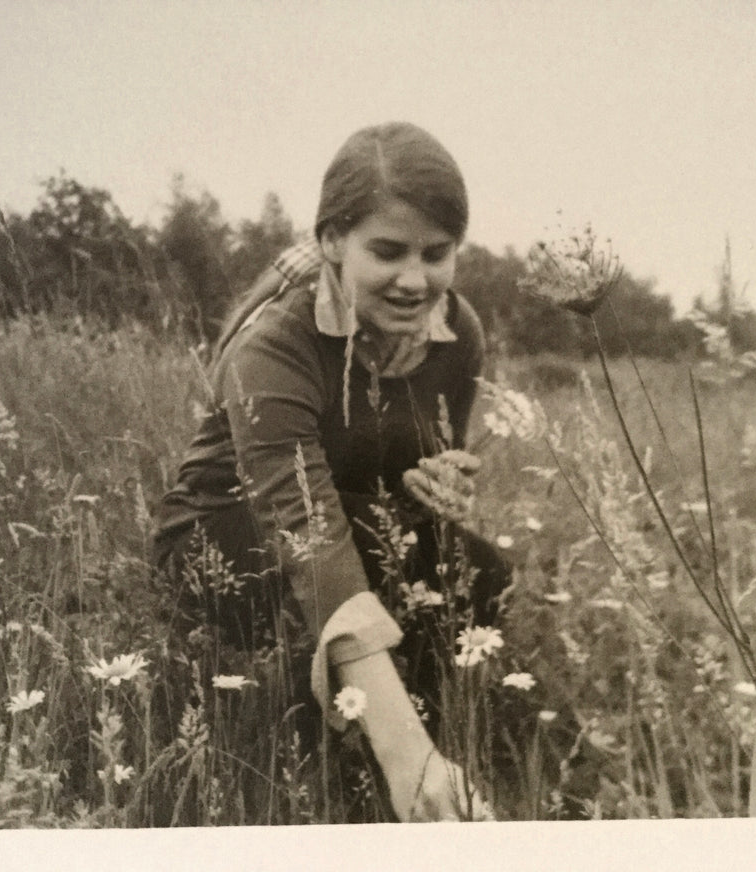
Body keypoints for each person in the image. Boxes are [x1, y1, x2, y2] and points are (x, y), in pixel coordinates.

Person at [153, 122, 509, 822]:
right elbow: (309, 539)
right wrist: (409, 759)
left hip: (347, 521)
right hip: (224, 529)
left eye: (437, 254)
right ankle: (352, 765)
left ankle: (432, 743)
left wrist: (434, 488)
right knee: (333, 585)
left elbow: (408, 470)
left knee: (482, 572)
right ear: (331, 242)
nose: (416, 280)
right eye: (388, 251)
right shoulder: (273, 346)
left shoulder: (458, 334)